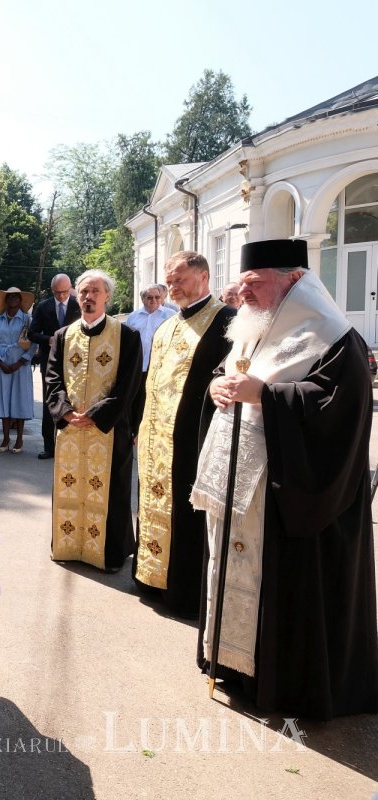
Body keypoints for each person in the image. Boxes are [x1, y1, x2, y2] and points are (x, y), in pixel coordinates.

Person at [191, 238, 377, 719]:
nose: (243, 292)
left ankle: (280, 683)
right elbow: (233, 370)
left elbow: (338, 409)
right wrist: (217, 384)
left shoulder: (334, 336)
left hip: (287, 492)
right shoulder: (257, 322)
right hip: (240, 484)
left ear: (292, 280)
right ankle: (231, 664)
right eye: (243, 282)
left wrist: (266, 397)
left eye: (254, 283)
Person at [132, 252, 234, 618]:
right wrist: (138, 426)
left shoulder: (227, 321)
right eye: (169, 281)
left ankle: (183, 591)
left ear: (203, 276)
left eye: (179, 280)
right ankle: (150, 578)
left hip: (193, 441)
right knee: (150, 506)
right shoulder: (166, 325)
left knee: (186, 515)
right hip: (154, 438)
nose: (172, 287)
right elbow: (149, 382)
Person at [45, 270, 142, 572]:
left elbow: (129, 385)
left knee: (111, 490)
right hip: (71, 429)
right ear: (77, 296)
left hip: (109, 430)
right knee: (70, 486)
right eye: (84, 292)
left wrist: (97, 415)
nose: (89, 297)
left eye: (95, 291)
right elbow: (52, 378)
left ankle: (110, 554)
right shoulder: (63, 335)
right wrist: (66, 413)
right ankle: (69, 545)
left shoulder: (126, 335)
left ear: (107, 296)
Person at [29, 273, 79, 459]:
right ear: (52, 290)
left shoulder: (78, 305)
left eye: (65, 292)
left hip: (75, 363)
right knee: (50, 403)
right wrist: (49, 339)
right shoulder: (44, 307)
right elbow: (32, 333)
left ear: (70, 288)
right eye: (58, 293)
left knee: (72, 403)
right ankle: (49, 446)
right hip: (49, 362)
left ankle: (69, 446)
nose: (61, 296)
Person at [0, 287, 36, 454]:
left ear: (21, 300)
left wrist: (21, 361)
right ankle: (6, 437)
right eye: (10, 297)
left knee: (19, 400)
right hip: (1, 364)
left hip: (20, 365)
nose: (13, 299)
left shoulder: (28, 320)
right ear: (5, 300)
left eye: (17, 297)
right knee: (3, 400)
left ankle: (20, 438)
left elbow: (34, 344)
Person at [124, 284, 177, 373]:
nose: (154, 300)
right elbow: (127, 341)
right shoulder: (133, 317)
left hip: (162, 367)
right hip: (137, 366)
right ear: (143, 299)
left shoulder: (171, 315)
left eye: (157, 297)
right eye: (150, 297)